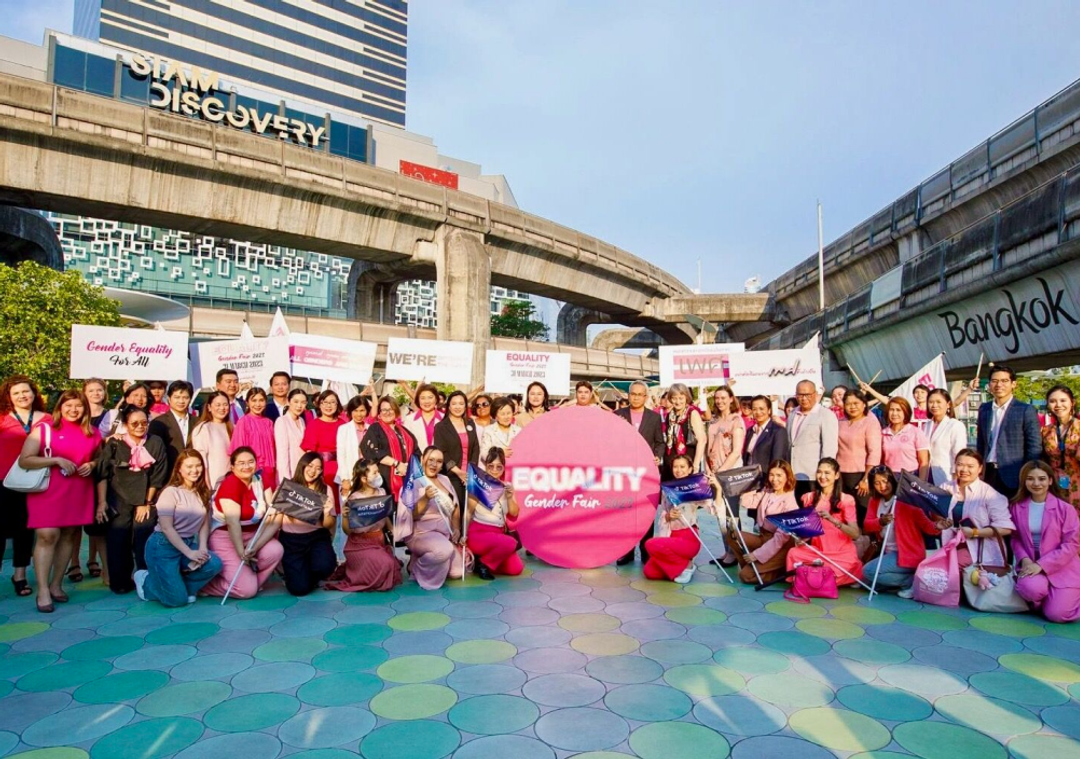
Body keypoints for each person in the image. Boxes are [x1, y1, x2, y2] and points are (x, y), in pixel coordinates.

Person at [18, 390, 100, 612]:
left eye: (78, 406)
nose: (73, 410)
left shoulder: (92, 432)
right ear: (60, 407)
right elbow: (25, 460)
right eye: (69, 405)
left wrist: (91, 465)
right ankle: (43, 589)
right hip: (47, 489)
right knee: (47, 535)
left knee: (69, 535)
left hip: (78, 489)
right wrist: (55, 460)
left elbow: (98, 458)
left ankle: (56, 585)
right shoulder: (43, 429)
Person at [94, 404, 169, 594]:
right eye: (134, 423)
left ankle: (147, 579)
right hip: (118, 498)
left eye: (144, 422)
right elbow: (102, 473)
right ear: (126, 424)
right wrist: (102, 503)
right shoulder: (115, 443)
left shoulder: (155, 442)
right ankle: (120, 582)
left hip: (145, 497)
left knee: (144, 538)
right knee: (118, 539)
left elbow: (158, 475)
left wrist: (147, 503)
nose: (140, 426)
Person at [133, 449, 222, 606]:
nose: (194, 470)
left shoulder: (202, 492)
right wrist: (189, 553)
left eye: (198, 465)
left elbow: (204, 523)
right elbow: (167, 528)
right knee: (176, 601)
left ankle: (175, 585)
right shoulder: (170, 492)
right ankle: (146, 581)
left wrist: (202, 548)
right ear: (179, 469)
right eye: (189, 466)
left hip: (187, 542)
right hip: (163, 546)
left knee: (214, 564)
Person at [201, 447, 283, 599]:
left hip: (251, 535)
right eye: (241, 463)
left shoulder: (260, 481)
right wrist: (241, 553)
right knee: (246, 591)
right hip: (226, 537)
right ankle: (204, 585)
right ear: (232, 467)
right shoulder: (231, 484)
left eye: (250, 462)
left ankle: (250, 582)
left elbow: (274, 516)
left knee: (275, 550)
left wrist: (255, 545)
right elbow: (233, 523)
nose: (246, 466)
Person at [0, 375, 52, 597]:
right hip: (3, 481)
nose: (22, 396)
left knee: (26, 529)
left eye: (26, 391)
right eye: (17, 393)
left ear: (34, 394)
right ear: (9, 397)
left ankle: (20, 574)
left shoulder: (48, 419)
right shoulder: (2, 419)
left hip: (35, 481)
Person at [1009, 461, 1080, 623]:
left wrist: (1041, 565)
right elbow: (1016, 538)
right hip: (1031, 566)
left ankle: (1065, 598)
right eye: (1030, 479)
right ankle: (1045, 600)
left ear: (1050, 480)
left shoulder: (1066, 509)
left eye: (1041, 479)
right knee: (1031, 589)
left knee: (1057, 615)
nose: (1036, 483)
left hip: (1063, 568)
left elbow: (1071, 545)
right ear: (1024, 481)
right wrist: (1025, 559)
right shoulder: (1016, 507)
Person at [861, 466, 944, 598]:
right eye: (877, 483)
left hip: (907, 553)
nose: (882, 486)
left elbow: (927, 526)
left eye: (885, 481)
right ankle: (906, 579)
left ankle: (910, 581)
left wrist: (938, 526)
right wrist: (880, 522)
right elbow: (867, 525)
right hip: (887, 553)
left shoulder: (906, 501)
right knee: (867, 583)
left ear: (892, 480)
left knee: (868, 571)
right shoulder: (875, 501)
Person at [326, 458, 402, 592]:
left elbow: (384, 515)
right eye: (374, 473)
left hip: (378, 541)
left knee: (393, 567)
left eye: (378, 472)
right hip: (359, 545)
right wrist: (344, 516)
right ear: (364, 478)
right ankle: (358, 573)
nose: (378, 475)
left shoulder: (382, 493)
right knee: (386, 564)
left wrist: (392, 529)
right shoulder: (354, 499)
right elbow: (348, 531)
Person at [786, 458, 863, 586]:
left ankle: (814, 578)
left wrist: (833, 520)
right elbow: (808, 530)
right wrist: (802, 538)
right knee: (793, 553)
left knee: (842, 566)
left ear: (836, 475)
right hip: (817, 552)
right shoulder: (808, 498)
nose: (822, 476)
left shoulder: (846, 500)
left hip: (840, 554)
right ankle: (818, 578)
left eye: (827, 473)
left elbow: (855, 534)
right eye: (819, 472)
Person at [937, 449, 1014, 572]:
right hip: (950, 544)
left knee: (948, 565)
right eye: (960, 464)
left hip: (978, 548)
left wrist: (975, 532)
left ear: (980, 469)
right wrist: (939, 523)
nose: (964, 470)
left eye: (970, 466)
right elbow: (936, 515)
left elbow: (1005, 528)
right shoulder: (945, 488)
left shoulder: (990, 494)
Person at [614, 381, 665, 566]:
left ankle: (646, 551)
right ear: (628, 395)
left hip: (645, 474)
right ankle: (626, 552)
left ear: (645, 397)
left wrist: (658, 456)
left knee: (645, 512)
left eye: (639, 394)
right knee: (625, 511)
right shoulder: (618, 415)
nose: (635, 397)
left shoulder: (654, 418)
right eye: (632, 394)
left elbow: (660, 442)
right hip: (624, 473)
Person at [726, 460, 799, 585]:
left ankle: (779, 570)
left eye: (779, 475)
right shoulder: (768, 491)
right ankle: (753, 566)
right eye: (771, 474)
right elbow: (747, 502)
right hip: (763, 537)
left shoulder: (790, 503)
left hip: (781, 545)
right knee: (732, 535)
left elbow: (780, 539)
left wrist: (757, 555)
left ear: (787, 477)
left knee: (746, 576)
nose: (774, 479)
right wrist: (752, 484)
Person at [643, 454, 712, 584]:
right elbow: (663, 513)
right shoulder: (668, 489)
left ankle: (687, 566)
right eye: (675, 467)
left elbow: (712, 507)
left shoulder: (695, 486)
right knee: (649, 571)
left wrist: (717, 489)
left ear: (690, 469)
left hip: (688, 538)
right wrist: (669, 516)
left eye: (682, 467)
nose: (678, 470)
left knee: (650, 543)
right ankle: (682, 565)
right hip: (671, 536)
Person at [976, 365, 1041, 499]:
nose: (999, 385)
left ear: (1014, 384)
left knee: (1014, 515)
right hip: (988, 474)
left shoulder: (1025, 410)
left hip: (1014, 476)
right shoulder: (984, 409)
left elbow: (1034, 447)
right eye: (994, 381)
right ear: (989, 384)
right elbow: (980, 443)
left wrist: (1027, 475)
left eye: (1004, 381)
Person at [278, 453, 338, 596]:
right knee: (299, 589)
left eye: (318, 468)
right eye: (310, 466)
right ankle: (296, 575)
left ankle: (305, 573)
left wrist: (327, 511)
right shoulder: (288, 487)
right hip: (291, 540)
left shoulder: (325, 489)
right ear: (302, 465)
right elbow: (275, 520)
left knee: (326, 566)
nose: (313, 471)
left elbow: (329, 525)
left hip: (316, 537)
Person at [407, 447, 466, 589]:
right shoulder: (415, 481)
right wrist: (425, 498)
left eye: (439, 461)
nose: (434, 464)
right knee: (443, 551)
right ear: (422, 459)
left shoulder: (444, 479)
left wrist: (456, 528)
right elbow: (411, 515)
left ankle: (427, 558)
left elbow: (455, 507)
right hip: (421, 533)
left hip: (443, 533)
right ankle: (417, 570)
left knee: (457, 572)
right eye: (431, 459)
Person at [70, 378, 109, 583]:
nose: (95, 393)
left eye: (99, 390)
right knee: (74, 524)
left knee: (97, 521)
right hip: (75, 474)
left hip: (99, 471)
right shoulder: (76, 414)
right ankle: (74, 562)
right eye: (91, 390)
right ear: (84, 392)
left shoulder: (112, 416)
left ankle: (95, 561)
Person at [466, 447, 523, 580]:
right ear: (485, 466)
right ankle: (484, 564)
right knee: (510, 543)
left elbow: (514, 513)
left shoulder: (506, 486)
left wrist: (509, 497)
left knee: (516, 569)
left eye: (499, 467)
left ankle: (483, 561)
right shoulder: (479, 484)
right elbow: (468, 512)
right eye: (491, 466)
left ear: (503, 468)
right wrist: (463, 535)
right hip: (478, 533)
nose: (495, 470)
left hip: (499, 534)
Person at [837, 389, 882, 527]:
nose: (852, 406)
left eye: (856, 403)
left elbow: (874, 451)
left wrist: (867, 478)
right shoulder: (840, 422)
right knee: (844, 512)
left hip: (861, 475)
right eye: (848, 403)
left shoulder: (870, 422)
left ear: (864, 404)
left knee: (862, 513)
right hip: (840, 475)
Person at [362, 396, 420, 505]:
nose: (387, 412)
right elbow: (371, 451)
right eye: (384, 410)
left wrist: (410, 466)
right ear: (379, 413)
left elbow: (416, 451)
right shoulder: (375, 428)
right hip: (385, 479)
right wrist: (397, 464)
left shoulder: (405, 431)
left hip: (407, 477)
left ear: (396, 411)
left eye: (390, 409)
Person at [788, 380, 839, 500]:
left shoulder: (826, 415)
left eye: (808, 395)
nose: (804, 398)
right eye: (800, 395)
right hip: (793, 474)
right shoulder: (792, 414)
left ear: (815, 394)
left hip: (813, 475)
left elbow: (829, 447)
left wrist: (825, 474)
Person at [434, 390, 480, 517]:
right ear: (448, 406)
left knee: (470, 512)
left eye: (461, 403)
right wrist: (459, 472)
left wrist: (471, 471)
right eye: (454, 404)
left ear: (466, 406)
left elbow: (475, 447)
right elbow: (442, 452)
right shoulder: (441, 427)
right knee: (455, 510)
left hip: (469, 475)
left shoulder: (470, 423)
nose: (458, 407)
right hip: (451, 475)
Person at [301, 391, 346, 507]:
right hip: (323, 470)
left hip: (342, 468)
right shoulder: (314, 424)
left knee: (342, 503)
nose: (328, 406)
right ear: (319, 405)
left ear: (337, 405)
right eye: (325, 402)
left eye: (332, 402)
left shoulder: (343, 424)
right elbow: (309, 452)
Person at [1041, 384, 1080, 515]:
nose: (1058, 405)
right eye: (1053, 401)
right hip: (1055, 485)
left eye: (1063, 400)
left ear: (1072, 403)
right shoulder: (1046, 431)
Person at [229, 387, 277, 490]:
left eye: (261, 400)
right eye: (254, 400)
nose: (258, 404)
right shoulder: (243, 422)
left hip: (269, 470)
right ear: (247, 402)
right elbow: (239, 449)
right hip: (251, 470)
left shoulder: (268, 422)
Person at [147, 380, 194, 475]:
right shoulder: (158, 422)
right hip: (168, 473)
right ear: (169, 398)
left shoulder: (198, 422)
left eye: (185, 397)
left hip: (193, 473)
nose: (181, 401)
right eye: (177, 397)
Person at [191, 391, 234, 489]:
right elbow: (201, 458)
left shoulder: (233, 427)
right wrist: (207, 484)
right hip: (213, 481)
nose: (222, 408)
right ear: (209, 407)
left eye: (225, 405)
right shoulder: (204, 428)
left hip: (231, 479)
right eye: (218, 405)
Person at [663, 383, 706, 479]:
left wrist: (695, 465)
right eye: (674, 398)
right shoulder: (670, 415)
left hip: (688, 464)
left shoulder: (692, 413)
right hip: (671, 465)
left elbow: (702, 440)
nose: (678, 402)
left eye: (681, 398)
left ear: (686, 397)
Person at [881, 397, 930, 480]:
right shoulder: (882, 433)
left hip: (911, 476)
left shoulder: (916, 432)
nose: (894, 413)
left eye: (898, 410)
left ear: (905, 412)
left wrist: (921, 484)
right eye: (891, 410)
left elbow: (923, 462)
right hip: (888, 477)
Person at [925, 388, 968, 485]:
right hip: (926, 474)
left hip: (946, 475)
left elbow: (958, 454)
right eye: (931, 402)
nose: (934, 405)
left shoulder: (955, 425)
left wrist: (957, 477)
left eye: (938, 402)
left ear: (948, 404)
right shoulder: (926, 426)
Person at [743, 395, 790, 473]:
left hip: (766, 477)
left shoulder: (778, 431)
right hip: (749, 477)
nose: (758, 412)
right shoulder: (750, 431)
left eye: (761, 409)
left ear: (769, 410)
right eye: (754, 409)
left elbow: (777, 459)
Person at [337, 395, 373, 495]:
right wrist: (344, 478)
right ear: (350, 412)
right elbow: (341, 455)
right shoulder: (344, 429)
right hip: (350, 474)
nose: (359, 414)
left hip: (368, 474)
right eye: (355, 410)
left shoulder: (371, 429)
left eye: (362, 410)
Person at [706, 385, 746, 474]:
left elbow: (736, 452)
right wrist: (708, 470)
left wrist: (720, 471)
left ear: (731, 399)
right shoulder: (713, 421)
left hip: (730, 471)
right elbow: (707, 449)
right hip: (713, 471)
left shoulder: (736, 420)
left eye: (723, 398)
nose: (719, 401)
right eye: (717, 398)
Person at [274, 388, 308, 486]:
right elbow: (282, 453)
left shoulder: (301, 421)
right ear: (288, 402)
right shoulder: (282, 421)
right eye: (296, 402)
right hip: (289, 471)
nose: (299, 406)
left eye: (303, 402)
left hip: (302, 470)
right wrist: (286, 479)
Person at [479, 397, 520, 465]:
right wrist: (499, 453)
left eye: (509, 413)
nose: (506, 417)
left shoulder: (518, 430)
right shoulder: (488, 430)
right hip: (494, 470)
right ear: (495, 416)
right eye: (502, 414)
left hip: (514, 469)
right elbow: (483, 454)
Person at [403, 383, 443, 449]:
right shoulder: (409, 419)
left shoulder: (445, 418)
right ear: (418, 400)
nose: (427, 401)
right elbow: (405, 443)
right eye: (422, 398)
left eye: (430, 397)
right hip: (417, 458)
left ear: (436, 399)